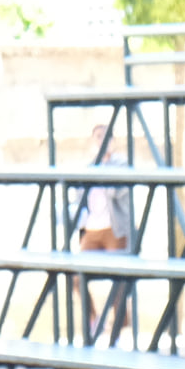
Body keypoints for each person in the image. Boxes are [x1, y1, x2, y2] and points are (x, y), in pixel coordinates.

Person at [74, 123, 133, 338]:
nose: (101, 141)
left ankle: (119, 330)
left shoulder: (122, 164)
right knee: (77, 277)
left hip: (114, 228)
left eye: (105, 137)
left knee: (118, 280)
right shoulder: (89, 168)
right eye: (98, 136)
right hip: (92, 228)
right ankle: (93, 319)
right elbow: (79, 198)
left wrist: (103, 174)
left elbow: (120, 192)